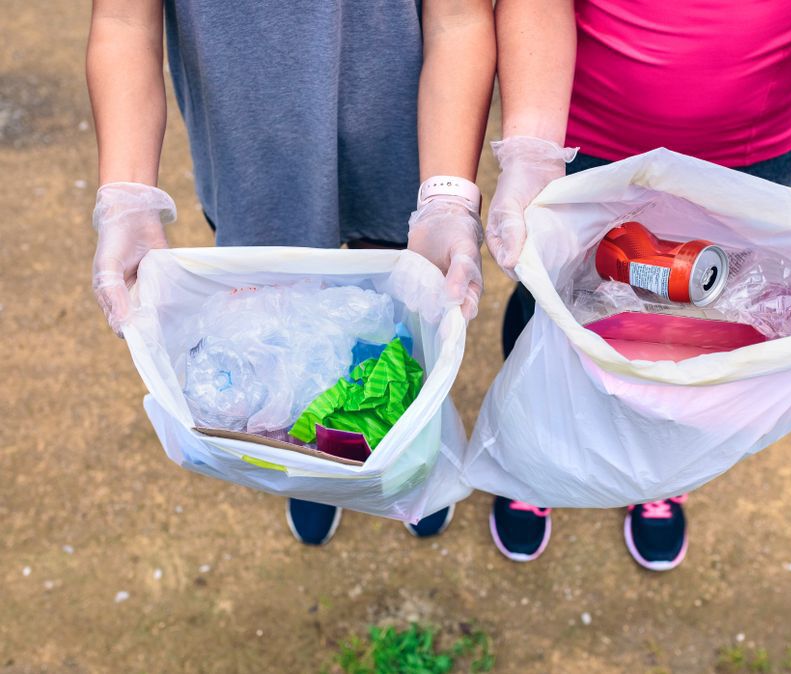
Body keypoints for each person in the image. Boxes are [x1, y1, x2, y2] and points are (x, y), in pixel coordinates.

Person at [486, 0, 791, 570]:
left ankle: (657, 465)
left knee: (715, 324)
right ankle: (536, 454)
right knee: (555, 304)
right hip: (584, 141)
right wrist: (532, 151)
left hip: (753, 151)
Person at [87, 0, 495, 544]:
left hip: (411, 133)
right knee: (279, 329)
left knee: (403, 310)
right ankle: (309, 457)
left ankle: (407, 446)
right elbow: (122, 21)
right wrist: (127, 199)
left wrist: (447, 199)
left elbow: (460, 18)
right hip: (253, 147)